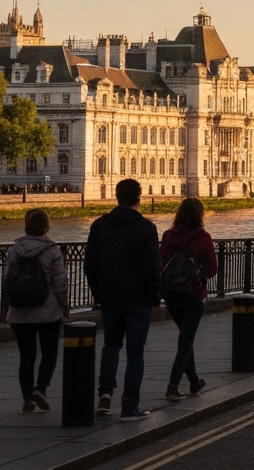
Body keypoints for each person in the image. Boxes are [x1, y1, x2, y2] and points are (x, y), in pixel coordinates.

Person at [84, 178, 160, 421]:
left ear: (116, 197)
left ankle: (105, 395)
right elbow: (152, 268)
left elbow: (90, 264)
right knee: (135, 353)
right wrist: (154, 297)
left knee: (111, 345)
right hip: (138, 299)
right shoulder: (146, 228)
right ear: (139, 198)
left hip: (110, 296)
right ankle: (129, 405)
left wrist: (99, 292)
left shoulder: (99, 226)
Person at [4, 209, 68, 415]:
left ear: (26, 226)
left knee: (26, 357)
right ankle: (41, 388)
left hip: (19, 311)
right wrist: (64, 306)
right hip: (47, 311)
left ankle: (27, 401)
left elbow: (7, 280)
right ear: (46, 227)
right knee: (49, 353)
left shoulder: (14, 250)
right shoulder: (52, 250)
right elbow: (60, 283)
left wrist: (6, 307)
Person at [159, 198, 218, 401]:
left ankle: (194, 382)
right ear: (200, 215)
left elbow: (161, 264)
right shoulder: (203, 237)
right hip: (193, 294)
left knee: (186, 339)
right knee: (185, 341)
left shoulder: (167, 236)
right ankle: (173, 386)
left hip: (171, 295)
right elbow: (212, 270)